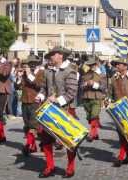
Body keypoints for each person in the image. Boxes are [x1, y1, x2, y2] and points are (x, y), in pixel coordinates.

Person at [35, 46, 78, 178]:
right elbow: (44, 88)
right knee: (46, 139)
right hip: (49, 110)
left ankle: (70, 168)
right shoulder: (48, 71)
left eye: (52, 55)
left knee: (68, 141)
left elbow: (72, 93)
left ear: (60, 56)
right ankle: (50, 166)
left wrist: (57, 100)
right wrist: (40, 96)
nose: (50, 58)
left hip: (64, 110)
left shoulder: (70, 71)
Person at [15, 55, 45, 155]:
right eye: (29, 63)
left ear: (36, 64)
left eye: (32, 63)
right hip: (25, 101)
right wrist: (19, 78)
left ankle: (29, 145)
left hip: (35, 101)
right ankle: (35, 145)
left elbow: (38, 85)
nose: (30, 65)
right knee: (27, 124)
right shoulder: (25, 73)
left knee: (33, 124)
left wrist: (29, 74)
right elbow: (19, 86)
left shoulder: (41, 73)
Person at [81, 56, 107, 142]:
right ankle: (95, 133)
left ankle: (91, 134)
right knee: (89, 117)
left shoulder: (102, 75)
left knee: (94, 116)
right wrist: (85, 84)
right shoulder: (86, 74)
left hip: (97, 98)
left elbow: (104, 87)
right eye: (90, 65)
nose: (91, 66)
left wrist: (94, 84)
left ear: (96, 64)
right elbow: (80, 86)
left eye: (93, 64)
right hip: (87, 97)